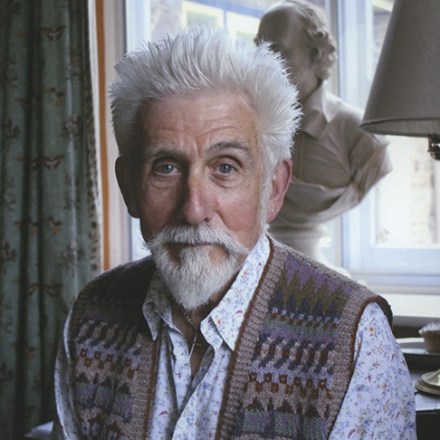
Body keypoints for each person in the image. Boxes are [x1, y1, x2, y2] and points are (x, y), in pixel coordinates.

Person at [52, 27, 415, 439]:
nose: (194, 210)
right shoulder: (89, 319)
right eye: (166, 167)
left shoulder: (355, 342)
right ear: (129, 188)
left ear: (273, 189)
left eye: (225, 167)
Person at [256, 0, 392, 269]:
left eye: (276, 50)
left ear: (316, 54)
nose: (262, 62)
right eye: (258, 48)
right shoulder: (249, 129)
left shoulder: (360, 136)